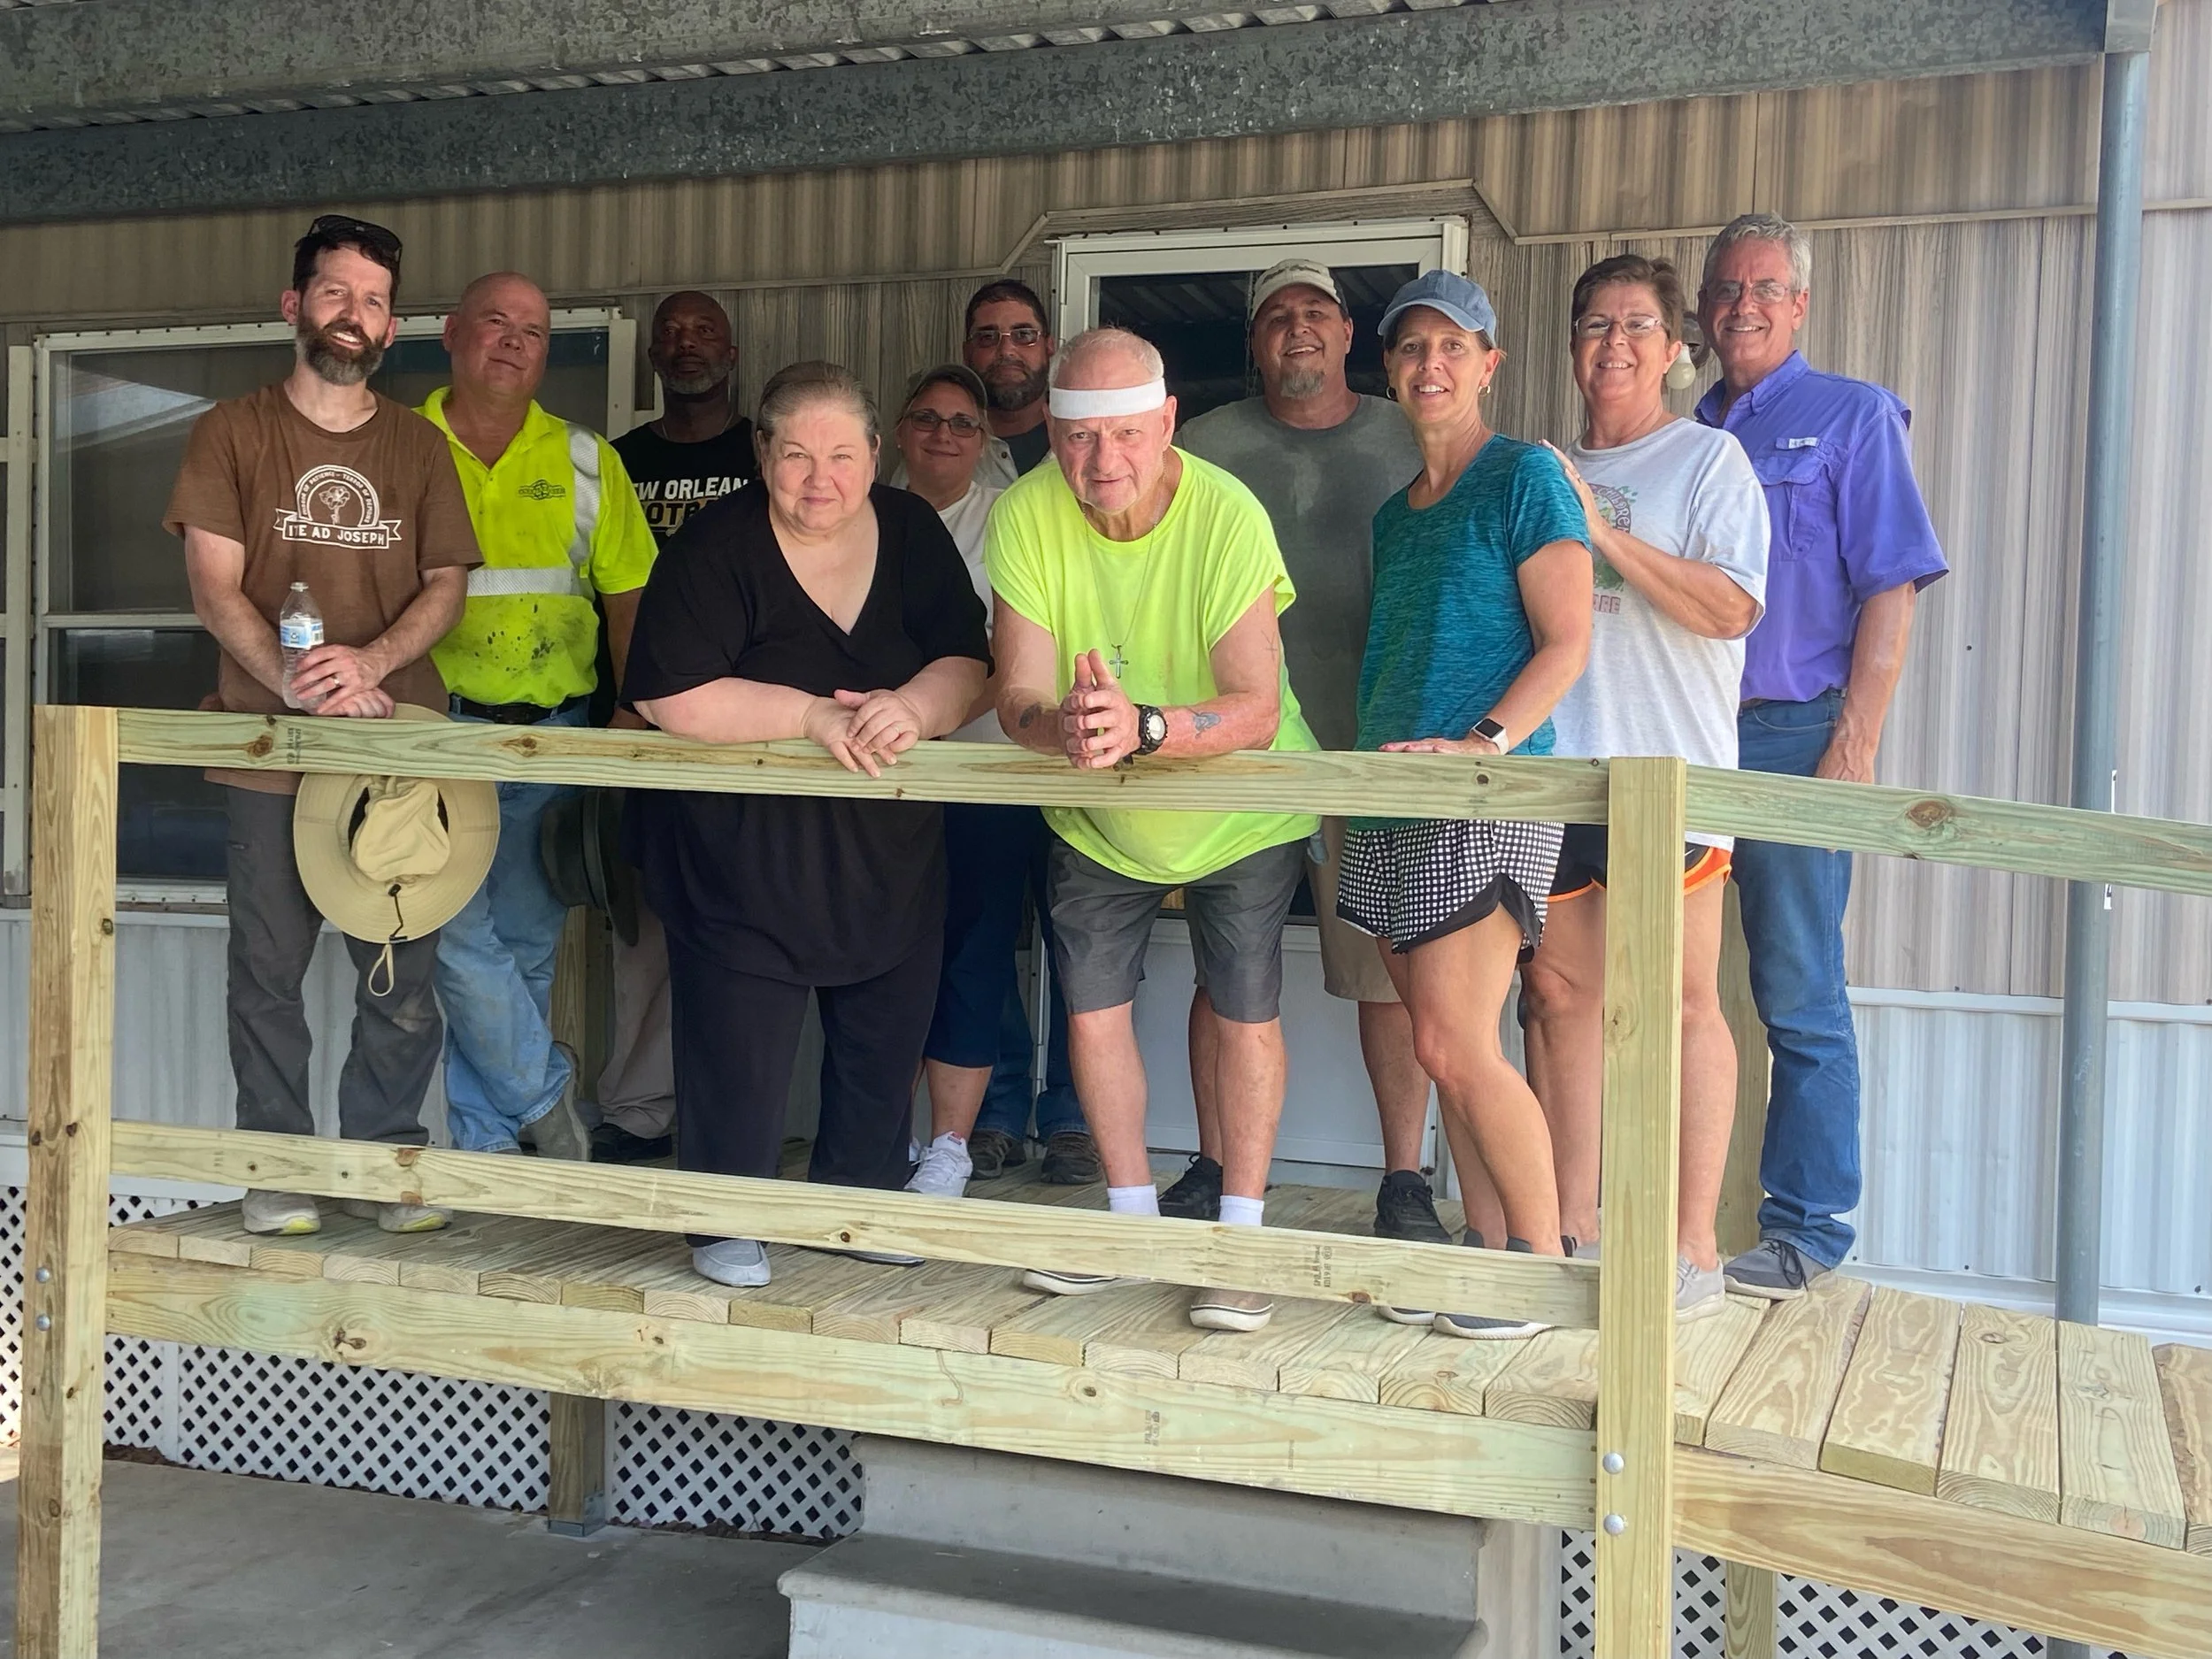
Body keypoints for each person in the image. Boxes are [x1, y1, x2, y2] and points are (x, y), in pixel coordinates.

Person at [624, 361, 990, 1289]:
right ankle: (726, 1216)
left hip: (886, 848)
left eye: (839, 453)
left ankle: (858, 1203)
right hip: (741, 854)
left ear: (875, 454)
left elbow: (967, 658)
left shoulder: (909, 532)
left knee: (882, 1035)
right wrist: (810, 716)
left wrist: (912, 704)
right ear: (762, 454)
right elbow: (671, 694)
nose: (817, 478)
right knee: (737, 1046)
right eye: (794, 455)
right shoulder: (716, 545)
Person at [988, 327, 1321, 1333]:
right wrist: (1069, 728)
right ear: (1049, 429)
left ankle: (1238, 1242)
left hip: (1239, 800)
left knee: (1245, 1008)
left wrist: (1140, 727)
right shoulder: (1020, 510)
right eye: (1080, 439)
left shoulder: (1227, 512)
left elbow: (1255, 710)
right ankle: (1128, 1228)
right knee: (1090, 1012)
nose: (1103, 463)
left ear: (1168, 422)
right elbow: (1016, 696)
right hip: (1097, 809)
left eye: (1127, 435)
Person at [165, 213, 479, 1236]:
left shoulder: (418, 446)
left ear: (393, 328)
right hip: (270, 750)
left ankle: (391, 1167)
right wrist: (295, 680)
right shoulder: (233, 430)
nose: (356, 315)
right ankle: (278, 1172)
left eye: (376, 301)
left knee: (399, 974)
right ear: (296, 305)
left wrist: (374, 664)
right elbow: (215, 589)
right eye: (337, 293)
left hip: (394, 753)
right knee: (266, 977)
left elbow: (443, 589)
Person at [1179, 256, 1477, 1245]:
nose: (1297, 329)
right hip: (1240, 750)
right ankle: (1214, 1161)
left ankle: (1401, 1179)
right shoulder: (1202, 447)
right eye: (1275, 317)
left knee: (1387, 977)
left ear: (1350, 336)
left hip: (1374, 749)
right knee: (1228, 971)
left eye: (1316, 313)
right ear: (1253, 342)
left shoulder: (1412, 434)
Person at [1692, 213, 1947, 1299]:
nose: (1740, 304)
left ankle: (1805, 1230)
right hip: (1688, 738)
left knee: (1796, 989)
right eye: (1724, 288)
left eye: (1763, 287)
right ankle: (1656, 1220)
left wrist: (1855, 744)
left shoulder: (1850, 417)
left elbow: (1891, 581)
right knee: (1660, 982)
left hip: (1797, 735)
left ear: (1798, 304)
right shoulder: (1685, 431)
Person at [1517, 254, 1770, 1322]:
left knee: (1678, 1007)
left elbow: (1731, 610)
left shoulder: (1709, 462)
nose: (1611, 344)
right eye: (1592, 325)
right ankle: (1571, 1231)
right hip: (1563, 776)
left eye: (1634, 326)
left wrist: (1598, 530)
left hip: (1671, 775)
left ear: (1675, 351)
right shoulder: (1540, 469)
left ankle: (1690, 1250)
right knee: (1559, 999)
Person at [1340, 269, 1592, 1338]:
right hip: (1391, 799)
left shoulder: (1525, 476)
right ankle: (1488, 1258)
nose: (1429, 365)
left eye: (1452, 346)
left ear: (1489, 363)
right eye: (1410, 348)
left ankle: (1536, 1267)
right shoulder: (1396, 517)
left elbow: (1568, 641)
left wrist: (1482, 744)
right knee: (1444, 1045)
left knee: (1454, 1045)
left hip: (1483, 795)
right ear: (1390, 370)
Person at [419, 272, 658, 1162]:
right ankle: (542, 1090)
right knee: (436, 926)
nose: (515, 341)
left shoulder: (590, 461)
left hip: (551, 730)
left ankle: (484, 1160)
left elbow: (628, 595)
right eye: (495, 322)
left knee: (520, 947)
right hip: (431, 734)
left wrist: (630, 715)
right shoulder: (400, 449)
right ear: (451, 332)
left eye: (534, 330)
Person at [893, 365, 1097, 1198]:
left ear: (987, 441)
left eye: (962, 423)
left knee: (1044, 949)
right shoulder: (869, 515)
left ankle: (1058, 1121)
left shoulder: (1007, 517)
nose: (943, 434)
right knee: (926, 952)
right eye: (926, 418)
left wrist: (923, 716)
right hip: (895, 774)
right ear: (898, 432)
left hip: (998, 767)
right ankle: (926, 1132)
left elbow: (999, 657)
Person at [595, 291, 758, 1163]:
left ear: (733, 350)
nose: (684, 344)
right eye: (671, 332)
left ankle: (733, 1117)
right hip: (643, 730)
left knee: (747, 928)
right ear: (653, 355)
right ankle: (639, 1111)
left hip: (752, 730)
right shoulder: (616, 465)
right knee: (649, 930)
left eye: (702, 331)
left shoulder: (765, 459)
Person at [963, 279, 1056, 485]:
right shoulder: (943, 449)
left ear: (1049, 346)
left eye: (1023, 335)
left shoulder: (1087, 441)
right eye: (987, 337)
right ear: (967, 352)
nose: (1006, 351)